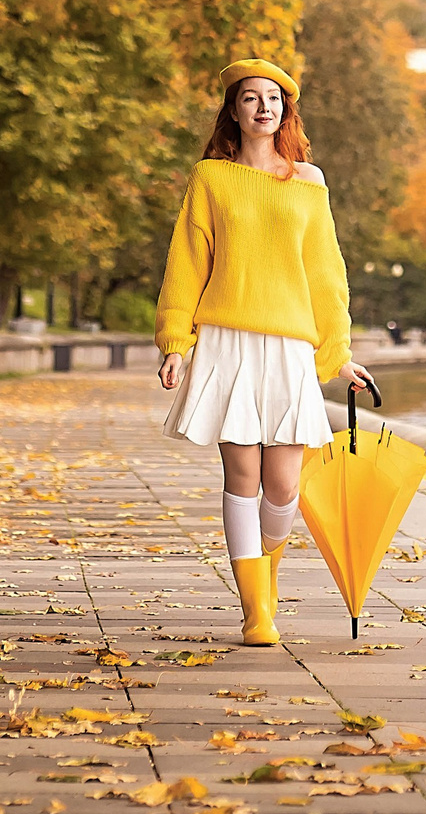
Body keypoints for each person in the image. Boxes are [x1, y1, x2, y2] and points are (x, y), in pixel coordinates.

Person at [156, 58, 375, 646]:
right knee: (243, 475)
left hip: (288, 349)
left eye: (273, 99)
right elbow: (187, 262)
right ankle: (256, 611)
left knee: (283, 486)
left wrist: (339, 356)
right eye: (250, 98)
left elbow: (327, 275)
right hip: (225, 342)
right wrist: (176, 341)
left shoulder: (308, 181)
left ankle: (268, 576)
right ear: (233, 110)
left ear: (286, 111)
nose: (262, 107)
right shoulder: (210, 178)